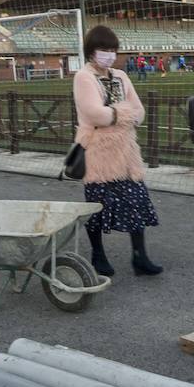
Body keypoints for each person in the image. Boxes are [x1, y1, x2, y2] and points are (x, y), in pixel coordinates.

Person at [71, 25, 162, 277]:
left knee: (137, 201)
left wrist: (117, 116)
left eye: (113, 50)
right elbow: (94, 114)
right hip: (98, 152)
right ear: (91, 51)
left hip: (125, 151)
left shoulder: (121, 76)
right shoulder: (84, 77)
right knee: (97, 206)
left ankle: (140, 257)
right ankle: (98, 254)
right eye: (104, 49)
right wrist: (124, 114)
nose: (109, 54)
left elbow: (140, 112)